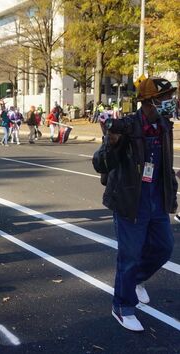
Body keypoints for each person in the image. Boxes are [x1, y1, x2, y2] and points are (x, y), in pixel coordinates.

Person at [92, 76, 177, 332]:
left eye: (170, 97)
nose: (170, 102)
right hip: (131, 200)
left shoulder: (165, 125)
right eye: (165, 98)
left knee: (164, 247)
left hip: (157, 199)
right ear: (150, 101)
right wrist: (111, 141)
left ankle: (136, 282)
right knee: (129, 257)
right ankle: (122, 306)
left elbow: (164, 165)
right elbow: (101, 164)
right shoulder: (127, 125)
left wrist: (172, 193)